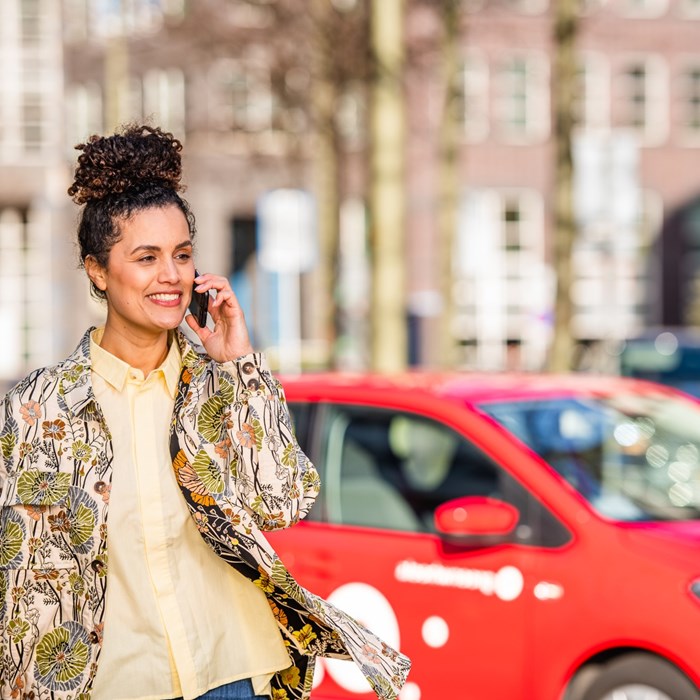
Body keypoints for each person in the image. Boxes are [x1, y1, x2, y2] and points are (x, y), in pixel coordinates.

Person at [0, 125, 410, 700]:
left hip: (231, 675)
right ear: (97, 270)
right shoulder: (38, 410)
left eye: (183, 254)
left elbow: (284, 501)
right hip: (116, 685)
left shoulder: (216, 385)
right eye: (147, 257)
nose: (172, 276)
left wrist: (240, 365)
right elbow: (18, 582)